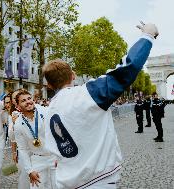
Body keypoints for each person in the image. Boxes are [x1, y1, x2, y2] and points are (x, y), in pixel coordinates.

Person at [42, 22, 158, 189]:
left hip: (65, 180)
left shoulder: (48, 109)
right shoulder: (88, 93)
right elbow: (126, 70)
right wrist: (147, 36)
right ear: (73, 75)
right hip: (97, 180)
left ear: (50, 86)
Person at [14, 89, 56, 189]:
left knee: (57, 186)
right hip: (37, 159)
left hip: (54, 157)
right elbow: (23, 149)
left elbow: (58, 134)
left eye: (29, 98)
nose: (28, 101)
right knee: (36, 186)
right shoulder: (18, 124)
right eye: (23, 100)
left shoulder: (46, 111)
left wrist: (60, 156)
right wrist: (30, 170)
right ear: (18, 106)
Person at [8, 89, 30, 189]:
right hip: (23, 150)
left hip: (37, 150)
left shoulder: (34, 110)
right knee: (24, 177)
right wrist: (13, 153)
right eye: (15, 97)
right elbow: (12, 138)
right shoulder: (13, 115)